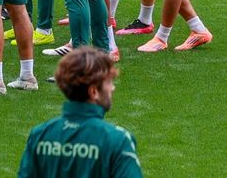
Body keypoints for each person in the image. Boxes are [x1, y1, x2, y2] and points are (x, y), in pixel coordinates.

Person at [17, 48, 142, 176]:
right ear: (93, 91)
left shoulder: (40, 135)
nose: (113, 88)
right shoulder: (117, 140)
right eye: (109, 83)